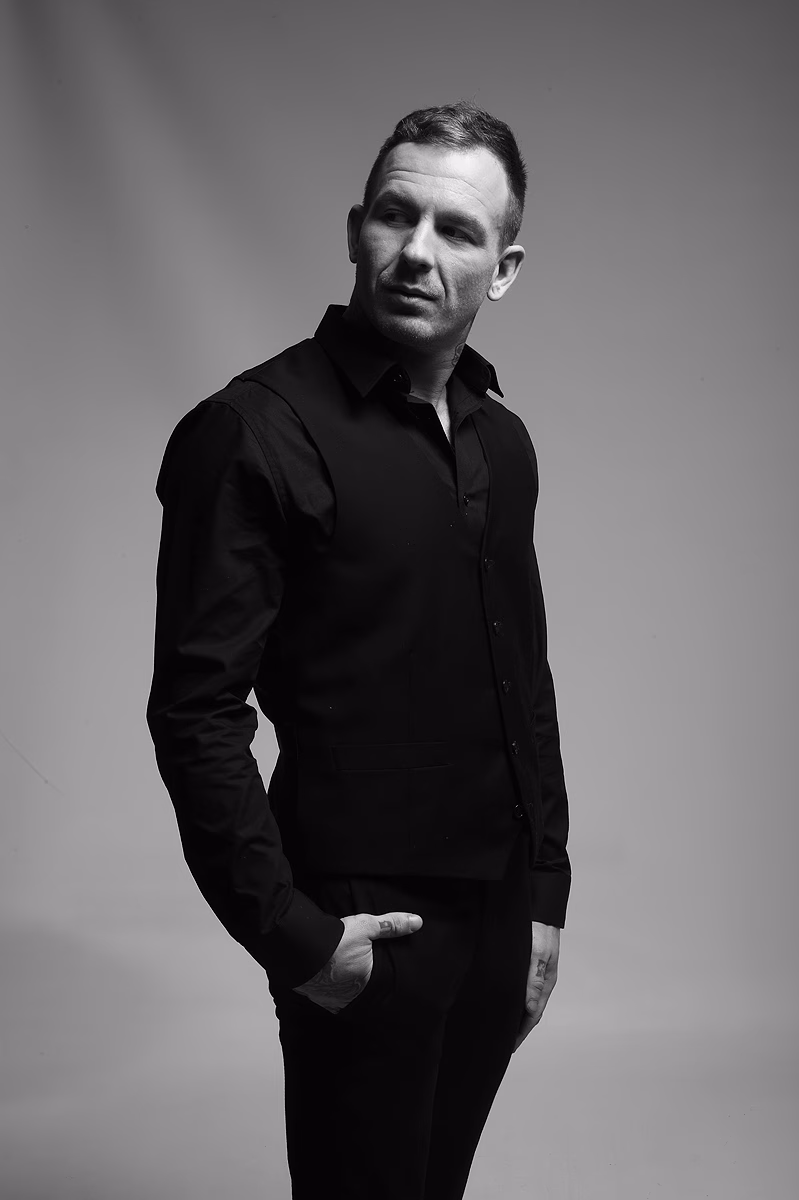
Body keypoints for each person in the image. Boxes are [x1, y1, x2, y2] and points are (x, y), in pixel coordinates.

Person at [147, 101, 571, 1200]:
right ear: (355, 229)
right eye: (395, 215)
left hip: (498, 919)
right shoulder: (250, 431)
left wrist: (544, 895)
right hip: (363, 928)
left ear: (503, 269)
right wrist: (294, 937)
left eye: (457, 230)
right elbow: (195, 713)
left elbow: (522, 679)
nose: (417, 252)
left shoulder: (504, 441)